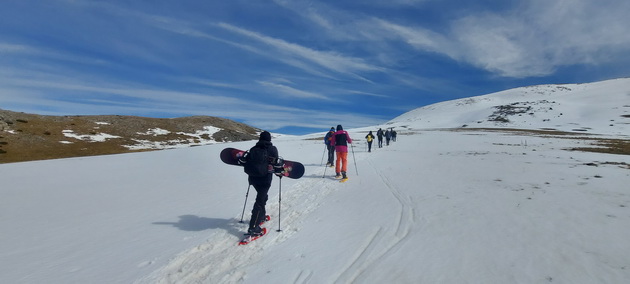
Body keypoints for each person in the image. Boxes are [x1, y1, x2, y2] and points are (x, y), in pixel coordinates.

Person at [239, 131, 283, 237]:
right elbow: (276, 165)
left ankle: (261, 216)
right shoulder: (272, 149)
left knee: (263, 197)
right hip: (265, 179)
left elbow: (245, 161)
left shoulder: (253, 149)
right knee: (260, 201)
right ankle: (253, 228)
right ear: (269, 139)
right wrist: (279, 173)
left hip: (253, 179)